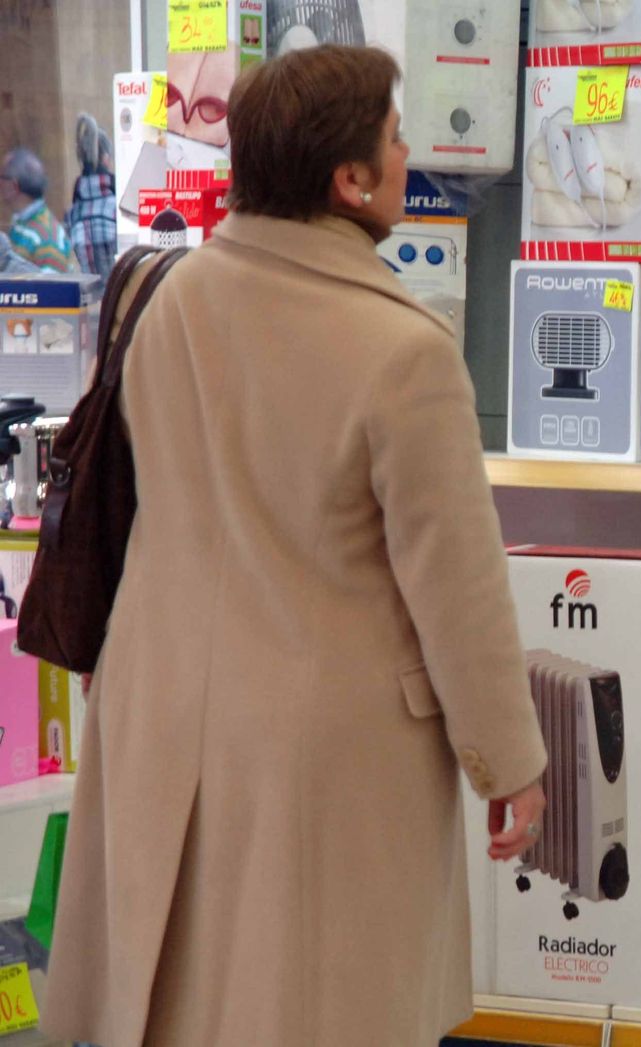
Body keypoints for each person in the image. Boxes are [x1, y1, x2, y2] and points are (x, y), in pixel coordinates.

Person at [41, 46, 548, 1047]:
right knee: (312, 1003)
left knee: (177, 1000)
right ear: (350, 180)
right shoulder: (405, 353)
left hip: (158, 711)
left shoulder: (163, 300)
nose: (408, 156)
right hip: (324, 747)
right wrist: (512, 765)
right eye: (395, 139)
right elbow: (459, 595)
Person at [0, 148, 76, 272]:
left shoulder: (46, 237)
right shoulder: (22, 225)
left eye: (1, 177)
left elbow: (52, 289)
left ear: (14, 186)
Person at [65, 114, 117, 279]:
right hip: (121, 300)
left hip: (88, 300)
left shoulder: (71, 214)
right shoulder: (118, 208)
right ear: (106, 159)